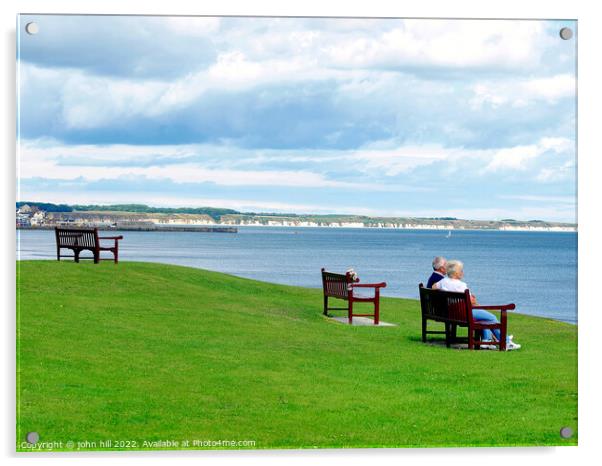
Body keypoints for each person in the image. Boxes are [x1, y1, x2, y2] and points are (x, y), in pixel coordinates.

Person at [433, 260, 521, 350]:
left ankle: (487, 340)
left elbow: (433, 287)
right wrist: (473, 300)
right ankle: (505, 342)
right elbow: (471, 301)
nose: (463, 273)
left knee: (485, 318)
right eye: (461, 271)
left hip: (453, 313)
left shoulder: (443, 281)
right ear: (455, 273)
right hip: (465, 314)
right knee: (492, 317)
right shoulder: (461, 285)